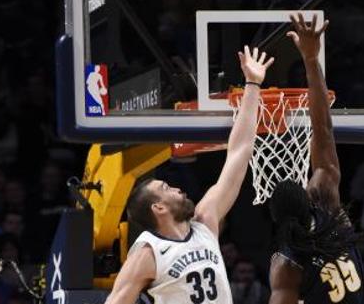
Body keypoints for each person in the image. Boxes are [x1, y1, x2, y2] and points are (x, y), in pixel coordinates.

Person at [103, 45, 274, 304]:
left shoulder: (205, 221)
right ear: (158, 207)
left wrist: (252, 84)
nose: (177, 189)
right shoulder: (149, 252)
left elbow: (239, 153)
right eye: (166, 188)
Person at [268, 13, 364, 304]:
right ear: (309, 197)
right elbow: (322, 128)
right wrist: (311, 60)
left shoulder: (286, 266)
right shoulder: (331, 210)